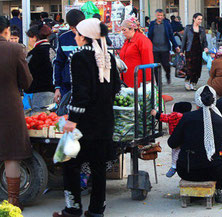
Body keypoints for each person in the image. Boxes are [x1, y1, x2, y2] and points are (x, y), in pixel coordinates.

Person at [53, 18, 121, 217]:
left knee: (70, 164)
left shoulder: (79, 57)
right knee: (98, 168)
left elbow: (80, 95)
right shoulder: (108, 56)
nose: (75, 36)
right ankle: (96, 210)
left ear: (85, 36)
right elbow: (116, 88)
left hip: (84, 124)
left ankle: (72, 209)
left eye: (77, 33)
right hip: (105, 122)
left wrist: (72, 120)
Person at [168, 86, 222, 202]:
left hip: (187, 171)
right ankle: (220, 189)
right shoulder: (221, 121)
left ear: (197, 100)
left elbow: (172, 143)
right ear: (214, 100)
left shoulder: (186, 118)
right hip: (214, 172)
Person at [0, 16, 32, 210]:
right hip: (9, 107)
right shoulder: (15, 49)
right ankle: (13, 201)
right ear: (6, 31)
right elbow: (27, 82)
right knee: (11, 154)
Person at [151, 102, 192, 178]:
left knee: (175, 153)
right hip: (185, 138)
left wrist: (156, 114)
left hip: (176, 138)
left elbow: (166, 118)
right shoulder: (187, 116)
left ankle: (174, 166)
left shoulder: (176, 115)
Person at [53, 9, 85, 103]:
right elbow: (58, 63)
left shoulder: (93, 38)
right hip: (67, 86)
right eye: (73, 28)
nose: (76, 31)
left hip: (87, 86)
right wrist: (57, 87)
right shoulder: (63, 38)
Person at [25, 24, 55, 111]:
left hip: (36, 93)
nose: (29, 41)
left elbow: (26, 72)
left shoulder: (34, 53)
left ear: (34, 37)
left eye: (30, 38)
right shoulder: (52, 49)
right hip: (52, 91)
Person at [119, 16, 154, 87]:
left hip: (138, 78)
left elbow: (148, 60)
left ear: (132, 29)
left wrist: (148, 79)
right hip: (127, 78)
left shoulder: (142, 40)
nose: (122, 32)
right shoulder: (127, 41)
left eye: (124, 30)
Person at [148, 9, 180, 84]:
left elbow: (171, 36)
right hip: (154, 49)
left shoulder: (166, 24)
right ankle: (159, 82)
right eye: (158, 15)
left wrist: (176, 46)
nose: (160, 17)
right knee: (155, 67)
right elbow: (149, 36)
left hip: (165, 49)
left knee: (166, 65)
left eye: (161, 15)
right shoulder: (152, 24)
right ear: (156, 15)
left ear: (163, 16)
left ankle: (168, 75)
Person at [181, 13, 208, 91]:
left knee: (197, 68)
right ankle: (187, 81)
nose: (200, 21)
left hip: (199, 51)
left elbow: (204, 41)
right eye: (198, 19)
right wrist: (182, 50)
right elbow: (184, 40)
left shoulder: (202, 29)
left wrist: (205, 47)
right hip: (190, 51)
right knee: (189, 68)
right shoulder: (188, 28)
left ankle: (194, 83)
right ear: (194, 19)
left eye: (201, 19)